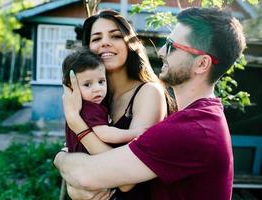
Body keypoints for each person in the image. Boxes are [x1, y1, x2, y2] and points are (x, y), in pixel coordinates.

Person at [54, 7, 246, 200]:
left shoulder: (191, 130)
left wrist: (63, 154)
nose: (161, 51)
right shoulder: (192, 120)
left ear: (202, 64)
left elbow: (88, 176)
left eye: (171, 46)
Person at [60, 9, 169, 200]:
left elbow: (126, 181)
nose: (105, 42)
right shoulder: (96, 97)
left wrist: (76, 123)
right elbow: (69, 149)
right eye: (96, 38)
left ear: (130, 44)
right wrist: (60, 162)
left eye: (116, 36)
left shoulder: (148, 93)